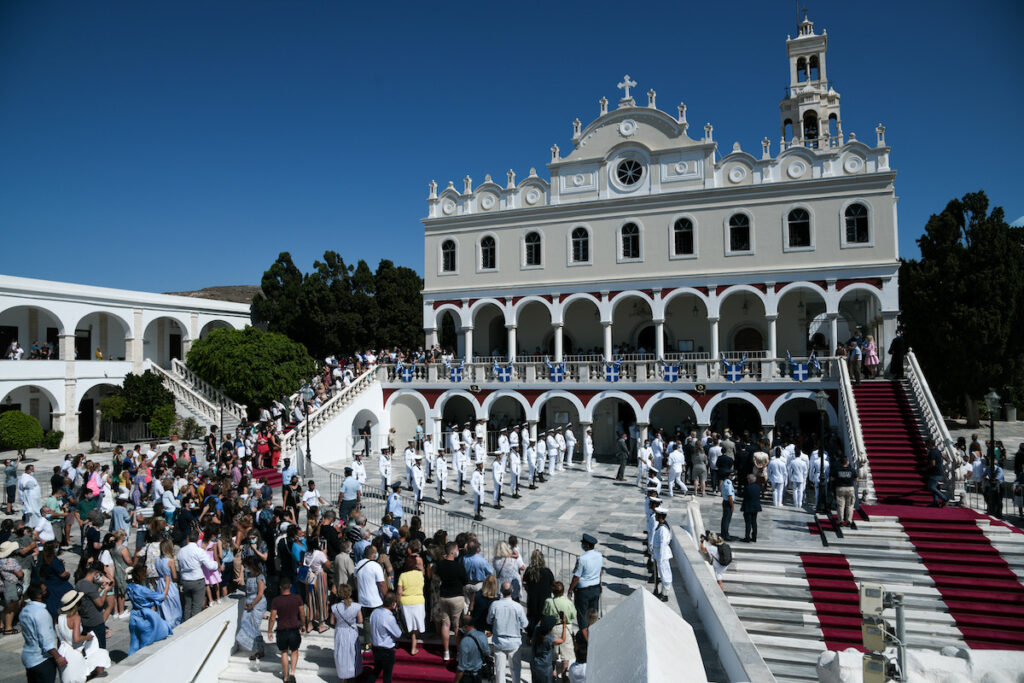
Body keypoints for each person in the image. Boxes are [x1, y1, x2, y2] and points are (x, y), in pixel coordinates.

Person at [56, 589, 110, 683]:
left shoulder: (60, 618)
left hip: (64, 652)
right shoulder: (75, 618)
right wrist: (87, 637)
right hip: (75, 654)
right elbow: (76, 639)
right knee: (79, 678)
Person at [21, 583, 67, 682]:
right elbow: (46, 640)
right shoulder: (41, 613)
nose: (47, 592)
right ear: (39, 595)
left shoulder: (25, 611)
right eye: (45, 590)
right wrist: (58, 657)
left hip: (29, 658)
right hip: (42, 660)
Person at [126, 562, 172, 654]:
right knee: (145, 646)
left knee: (134, 645)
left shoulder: (129, 587)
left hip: (134, 617)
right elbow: (162, 596)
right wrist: (167, 583)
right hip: (144, 618)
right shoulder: (143, 590)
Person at [434, 541, 468, 661]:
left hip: (444, 596)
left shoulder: (440, 565)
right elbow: (465, 580)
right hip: (457, 596)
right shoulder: (459, 566)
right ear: (453, 552)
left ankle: (446, 652)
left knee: (445, 624)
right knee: (457, 626)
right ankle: (458, 652)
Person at [489, 580, 528, 683]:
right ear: (512, 591)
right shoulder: (518, 606)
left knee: (499, 670)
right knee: (515, 669)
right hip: (514, 641)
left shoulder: (495, 605)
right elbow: (525, 624)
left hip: (499, 641)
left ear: (501, 591)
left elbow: (488, 620)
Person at [177, 528, 219, 621]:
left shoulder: (181, 551)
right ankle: (193, 626)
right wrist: (217, 564)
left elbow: (180, 568)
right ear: (198, 539)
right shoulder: (199, 551)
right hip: (197, 581)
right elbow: (210, 566)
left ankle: (186, 624)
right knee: (196, 606)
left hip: (185, 581)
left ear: (188, 538)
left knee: (187, 606)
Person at [268, 579, 305, 683]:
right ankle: (292, 673)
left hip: (282, 630)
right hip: (294, 629)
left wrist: (269, 631)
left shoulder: (276, 600)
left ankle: (285, 676)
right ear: (291, 586)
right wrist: (303, 624)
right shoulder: (297, 598)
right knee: (294, 650)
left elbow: (272, 617)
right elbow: (302, 614)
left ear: (280, 587)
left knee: (284, 651)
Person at [568, 533, 602, 632]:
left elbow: (576, 577)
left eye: (583, 543)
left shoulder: (582, 559)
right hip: (596, 588)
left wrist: (570, 590)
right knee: (593, 615)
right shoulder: (599, 555)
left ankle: (585, 640)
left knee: (582, 617)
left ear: (587, 545)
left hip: (583, 591)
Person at [542, 581, 577, 675]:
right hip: (566, 629)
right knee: (566, 654)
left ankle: (553, 671)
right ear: (563, 591)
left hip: (552, 628)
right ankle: (564, 674)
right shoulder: (568, 602)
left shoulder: (548, 601)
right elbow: (573, 615)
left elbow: (545, 613)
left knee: (552, 653)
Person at [236, 556, 267, 660]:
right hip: (249, 602)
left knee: (255, 627)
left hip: (258, 605)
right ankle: (255, 649)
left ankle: (259, 650)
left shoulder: (260, 576)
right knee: (246, 624)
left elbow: (260, 594)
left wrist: (252, 605)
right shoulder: (248, 575)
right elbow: (247, 591)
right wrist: (246, 601)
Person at [331, 585, 363, 682]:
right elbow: (360, 620)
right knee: (352, 653)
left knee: (342, 654)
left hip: (340, 632)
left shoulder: (335, 607)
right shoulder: (356, 606)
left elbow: (332, 622)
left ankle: (344, 677)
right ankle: (352, 674)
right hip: (352, 632)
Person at [369, 592, 402, 683]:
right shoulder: (389, 617)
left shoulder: (374, 612)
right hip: (386, 651)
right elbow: (398, 634)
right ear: (392, 604)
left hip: (376, 648)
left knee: (376, 671)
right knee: (387, 677)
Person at [396, 552, 426, 655]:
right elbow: (422, 569)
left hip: (406, 602)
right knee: (416, 626)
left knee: (410, 624)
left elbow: (399, 592)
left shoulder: (402, 575)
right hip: (418, 601)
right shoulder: (420, 574)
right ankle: (413, 647)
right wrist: (419, 560)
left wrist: (397, 602)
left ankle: (411, 638)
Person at [523, 548, 554, 638]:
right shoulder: (547, 572)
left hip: (532, 598)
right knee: (543, 617)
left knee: (532, 617)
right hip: (545, 599)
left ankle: (531, 636)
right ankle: (542, 636)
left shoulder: (529, 571)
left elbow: (524, 583)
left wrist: (529, 590)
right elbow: (553, 584)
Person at [530, 614, 568, 683]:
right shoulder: (549, 639)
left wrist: (545, 618)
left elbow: (540, 622)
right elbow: (562, 640)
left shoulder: (536, 629)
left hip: (534, 663)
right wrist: (564, 625)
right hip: (545, 667)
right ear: (550, 629)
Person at [155, 539, 182, 628]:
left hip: (160, 583)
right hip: (169, 584)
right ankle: (174, 625)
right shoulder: (170, 561)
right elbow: (174, 576)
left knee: (164, 606)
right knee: (174, 607)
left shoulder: (157, 560)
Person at [454, 613, 490, 683]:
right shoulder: (482, 636)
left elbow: (461, 666)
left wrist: (456, 681)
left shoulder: (464, 641)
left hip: (467, 677)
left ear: (465, 626)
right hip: (479, 675)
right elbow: (487, 652)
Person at [650, 508, 673, 602]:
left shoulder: (663, 529)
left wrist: (661, 558)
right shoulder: (661, 526)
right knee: (662, 574)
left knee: (665, 574)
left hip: (662, 555)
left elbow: (663, 545)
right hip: (658, 553)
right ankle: (662, 592)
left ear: (660, 516)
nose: (655, 516)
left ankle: (665, 594)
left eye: (656, 515)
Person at [832, 455, 859, 526]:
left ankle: (840, 521)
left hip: (840, 488)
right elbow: (856, 479)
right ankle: (849, 521)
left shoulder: (837, 470)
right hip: (849, 488)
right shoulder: (852, 470)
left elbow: (832, 478)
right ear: (847, 462)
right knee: (849, 505)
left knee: (841, 506)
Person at [925, 440, 948, 508]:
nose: (926, 446)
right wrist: (947, 459)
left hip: (935, 472)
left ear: (930, 445)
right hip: (939, 471)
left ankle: (944, 498)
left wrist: (925, 468)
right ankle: (936, 502)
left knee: (931, 487)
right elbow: (943, 455)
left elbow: (933, 464)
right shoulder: (937, 450)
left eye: (927, 444)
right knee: (933, 487)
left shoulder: (932, 452)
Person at [741, 474, 762, 543]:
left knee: (748, 523)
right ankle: (754, 537)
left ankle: (747, 537)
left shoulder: (747, 487)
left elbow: (744, 496)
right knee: (754, 522)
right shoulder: (758, 487)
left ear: (750, 480)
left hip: (748, 507)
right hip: (755, 507)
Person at [720, 469, 735, 540]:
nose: (733, 476)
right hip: (728, 503)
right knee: (727, 519)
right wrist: (732, 506)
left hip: (725, 502)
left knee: (725, 518)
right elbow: (730, 496)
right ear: (728, 476)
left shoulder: (725, 482)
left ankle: (723, 533)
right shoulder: (728, 483)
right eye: (732, 475)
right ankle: (725, 534)